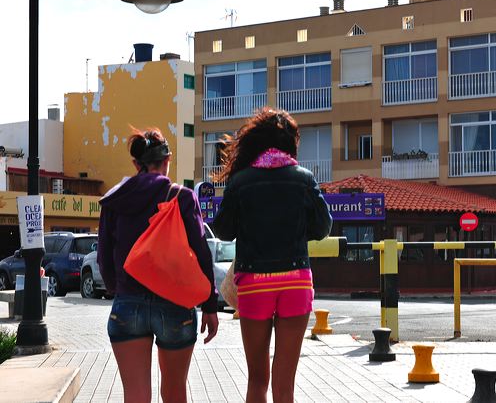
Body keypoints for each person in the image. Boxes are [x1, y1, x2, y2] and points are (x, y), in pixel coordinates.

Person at [212, 108, 332, 403]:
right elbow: (323, 227)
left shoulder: (241, 181)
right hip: (296, 282)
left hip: (255, 283)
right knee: (285, 385)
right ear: (290, 144)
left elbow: (223, 230)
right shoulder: (304, 179)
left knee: (257, 381)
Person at [98, 127, 219, 403]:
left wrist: (121, 291)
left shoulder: (114, 200)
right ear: (168, 160)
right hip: (175, 306)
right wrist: (210, 305)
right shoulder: (182, 197)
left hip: (127, 305)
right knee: (175, 393)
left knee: (136, 395)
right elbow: (201, 253)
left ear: (136, 164)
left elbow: (104, 255)